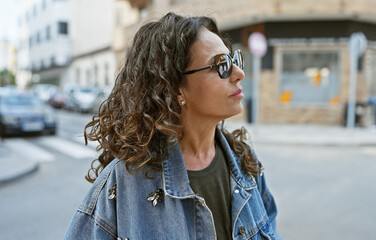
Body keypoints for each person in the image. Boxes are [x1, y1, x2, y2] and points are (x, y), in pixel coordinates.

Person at [65, 12, 281, 239]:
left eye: (234, 59)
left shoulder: (246, 163)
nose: (239, 73)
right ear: (175, 87)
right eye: (221, 65)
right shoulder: (125, 182)